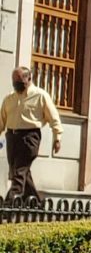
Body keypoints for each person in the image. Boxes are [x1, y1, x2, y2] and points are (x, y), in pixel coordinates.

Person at [0, 65, 61, 203]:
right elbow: (1, 120)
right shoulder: (9, 99)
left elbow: (54, 117)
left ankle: (8, 204)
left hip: (30, 137)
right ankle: (35, 204)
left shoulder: (40, 96)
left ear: (29, 78)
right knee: (21, 171)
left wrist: (57, 138)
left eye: (20, 81)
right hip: (12, 137)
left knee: (19, 172)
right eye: (14, 81)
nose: (16, 85)